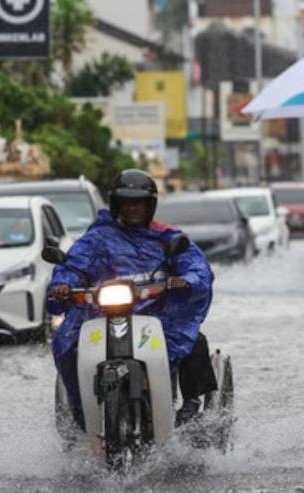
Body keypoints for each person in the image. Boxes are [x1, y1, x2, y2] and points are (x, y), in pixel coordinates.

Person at [47, 169, 217, 427]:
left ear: (150, 205)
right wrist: (62, 285)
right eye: (126, 202)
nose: (132, 208)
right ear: (116, 205)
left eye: (138, 202)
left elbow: (196, 267)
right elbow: (73, 266)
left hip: (158, 314)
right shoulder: (98, 238)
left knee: (195, 342)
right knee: (66, 345)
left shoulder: (167, 237)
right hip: (101, 314)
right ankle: (80, 411)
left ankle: (192, 406)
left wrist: (186, 280)